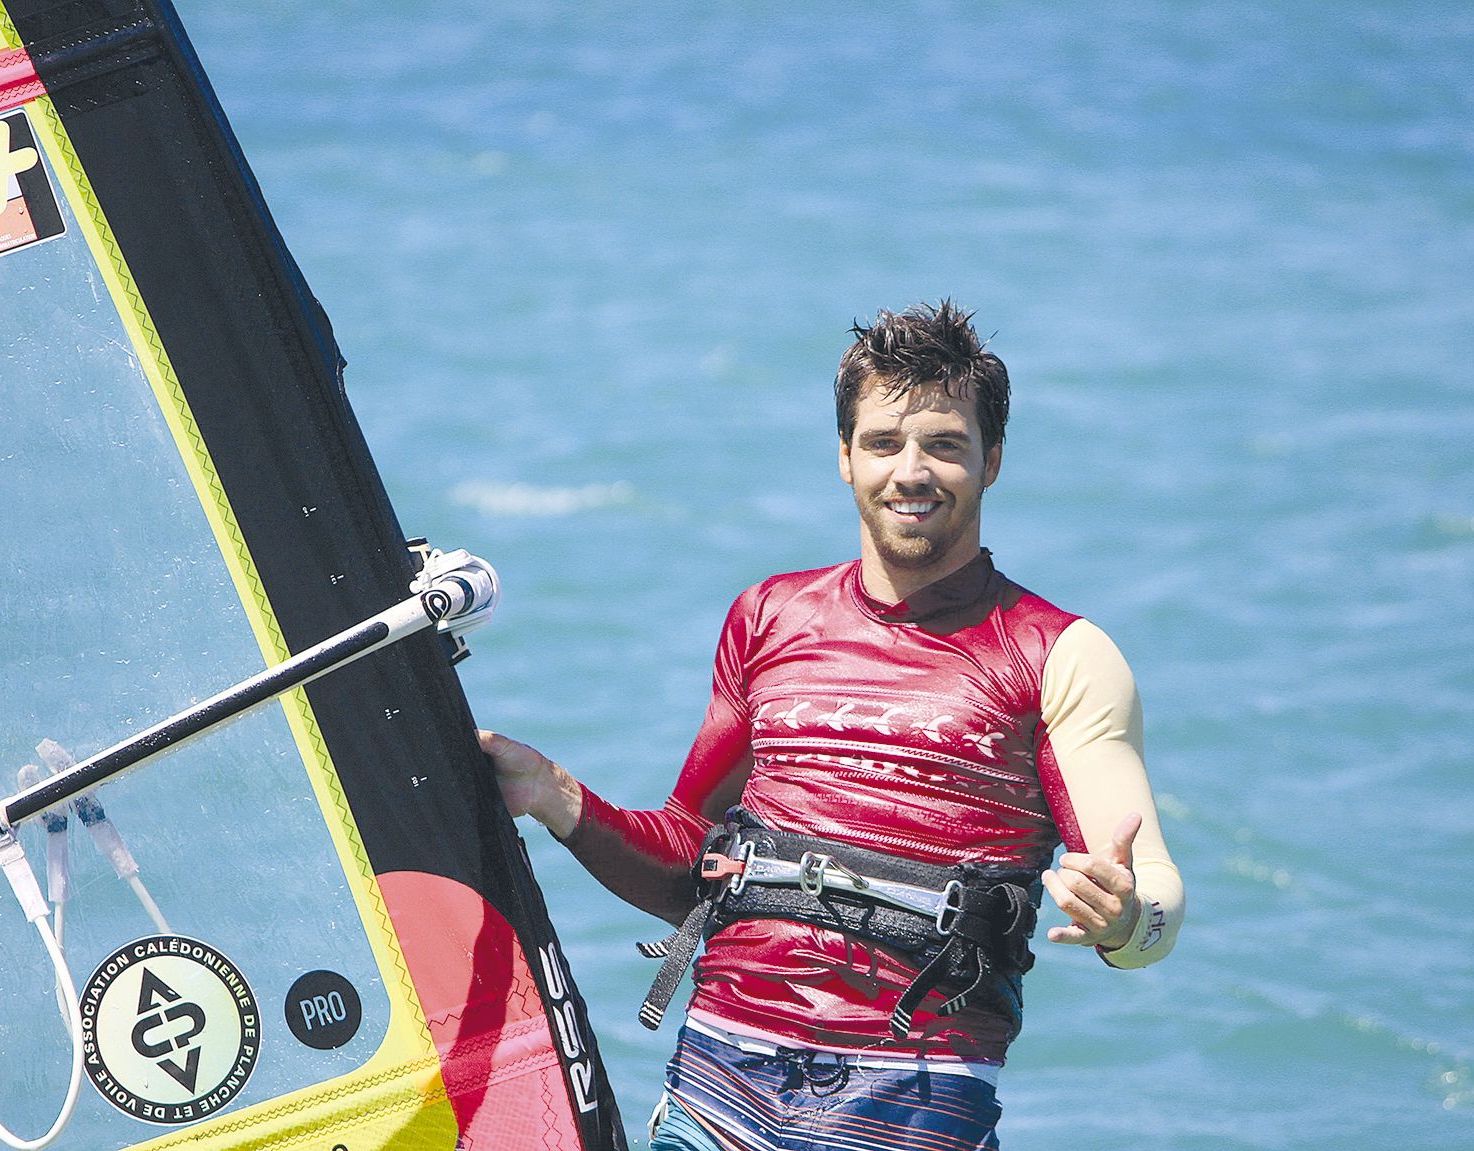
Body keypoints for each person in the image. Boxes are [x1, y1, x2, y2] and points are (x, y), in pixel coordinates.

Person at [481, 301, 1184, 1151]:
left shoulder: (1057, 653)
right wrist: (555, 796)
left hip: (916, 1106)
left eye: (945, 445)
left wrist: (1126, 920)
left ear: (992, 460)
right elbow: (686, 867)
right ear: (845, 456)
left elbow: (1152, 899)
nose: (912, 471)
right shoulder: (769, 617)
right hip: (716, 1090)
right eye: (885, 443)